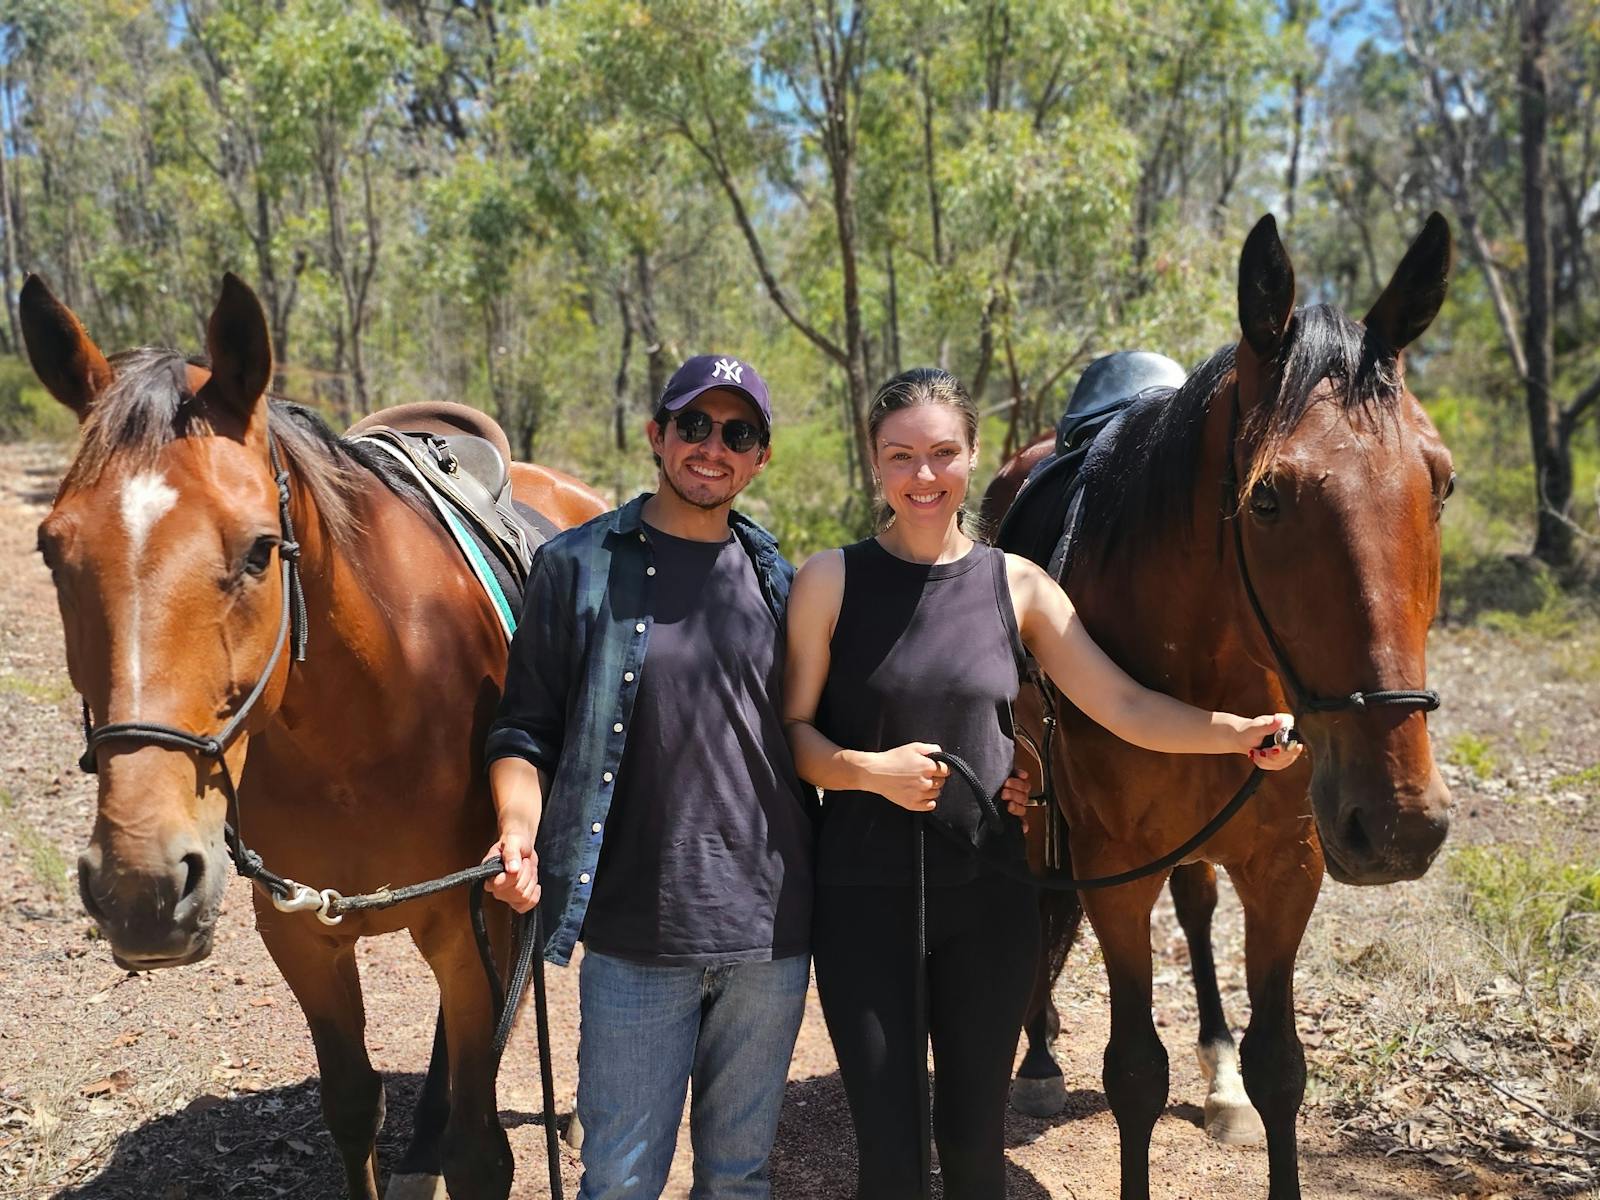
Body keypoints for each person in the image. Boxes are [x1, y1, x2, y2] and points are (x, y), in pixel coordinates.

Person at [782, 366, 1302, 1200]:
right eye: (901, 455)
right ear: (874, 462)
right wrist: (864, 772)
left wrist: (1236, 736)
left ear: (972, 455)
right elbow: (796, 736)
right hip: (862, 902)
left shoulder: (1014, 585)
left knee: (977, 1155)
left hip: (988, 905)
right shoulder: (829, 581)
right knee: (889, 1162)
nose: (924, 476)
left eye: (943, 453)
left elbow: (1123, 702)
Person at [479, 355, 813, 1200]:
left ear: (760, 457)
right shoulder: (575, 566)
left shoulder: (784, 580)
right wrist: (518, 828)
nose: (713, 448)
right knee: (621, 1180)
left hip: (771, 933)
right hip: (636, 933)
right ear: (657, 435)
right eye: (694, 426)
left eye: (738, 433)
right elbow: (525, 729)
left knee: (739, 1179)